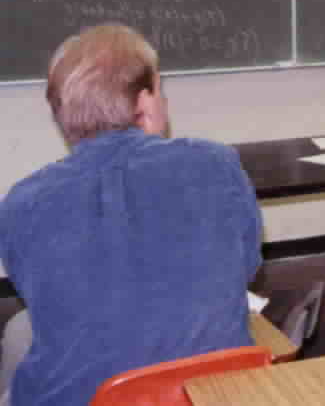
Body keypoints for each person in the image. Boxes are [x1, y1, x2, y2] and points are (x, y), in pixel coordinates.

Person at [0, 24, 262, 406]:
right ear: (144, 104)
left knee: (22, 335)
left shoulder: (22, 203)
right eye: (161, 90)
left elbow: (44, 298)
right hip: (213, 393)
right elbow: (246, 266)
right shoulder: (215, 164)